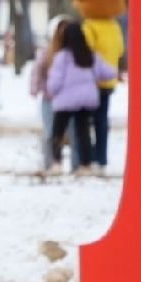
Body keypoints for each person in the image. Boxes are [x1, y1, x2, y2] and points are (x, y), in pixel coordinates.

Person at [73, 0, 128, 173]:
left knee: (84, 122)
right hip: (109, 82)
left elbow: (84, 52)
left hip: (90, 82)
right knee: (102, 121)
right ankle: (101, 160)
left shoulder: (89, 26)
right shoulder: (114, 27)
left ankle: (86, 159)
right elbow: (120, 49)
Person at [45, 21, 117, 175]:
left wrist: (52, 91)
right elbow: (108, 72)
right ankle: (85, 165)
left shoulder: (62, 57)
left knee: (58, 131)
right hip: (86, 100)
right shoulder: (90, 55)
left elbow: (55, 81)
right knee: (83, 132)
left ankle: (56, 163)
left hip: (65, 101)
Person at [29, 16, 71, 171]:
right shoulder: (48, 51)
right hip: (49, 98)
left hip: (67, 100)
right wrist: (36, 88)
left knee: (68, 133)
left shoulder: (73, 52)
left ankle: (71, 163)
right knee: (49, 132)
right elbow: (37, 70)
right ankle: (50, 163)